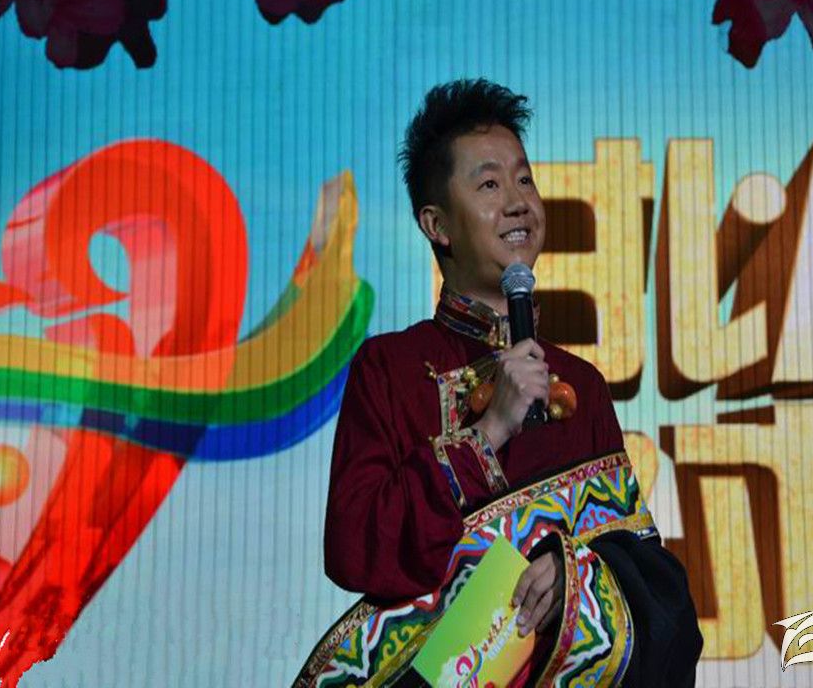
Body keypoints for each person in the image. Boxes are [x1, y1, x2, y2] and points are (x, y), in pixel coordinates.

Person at [297, 79, 702, 687]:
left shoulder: (581, 386)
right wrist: (487, 434)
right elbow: (355, 549)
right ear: (437, 224)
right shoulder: (391, 368)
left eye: (524, 180)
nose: (517, 202)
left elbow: (649, 580)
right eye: (489, 185)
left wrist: (575, 576)